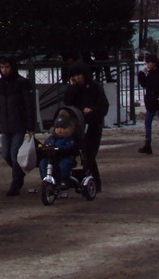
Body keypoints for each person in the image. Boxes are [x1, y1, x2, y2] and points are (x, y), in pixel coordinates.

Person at [0, 54, 37, 196]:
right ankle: (19, 173)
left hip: (19, 124)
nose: (4, 70)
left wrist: (30, 126)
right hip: (5, 125)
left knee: (14, 152)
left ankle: (15, 183)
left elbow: (29, 106)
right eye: (2, 67)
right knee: (6, 154)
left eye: (7, 67)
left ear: (13, 67)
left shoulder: (22, 83)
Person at [63, 60, 108, 191]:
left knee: (89, 154)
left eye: (79, 75)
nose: (77, 78)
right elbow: (67, 101)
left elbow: (103, 106)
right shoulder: (74, 89)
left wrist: (92, 110)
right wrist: (74, 87)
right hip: (78, 124)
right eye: (74, 76)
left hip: (93, 124)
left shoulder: (95, 87)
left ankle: (94, 181)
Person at [137, 53, 159, 154]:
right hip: (152, 102)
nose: (147, 65)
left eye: (149, 63)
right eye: (147, 63)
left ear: (154, 63)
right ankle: (147, 144)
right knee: (147, 122)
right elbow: (145, 84)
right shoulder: (151, 73)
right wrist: (142, 74)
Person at [37, 115, 77, 187]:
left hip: (64, 157)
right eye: (57, 128)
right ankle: (45, 179)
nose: (59, 130)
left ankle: (64, 181)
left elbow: (69, 147)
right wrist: (44, 147)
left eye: (62, 128)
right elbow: (46, 144)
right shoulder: (51, 138)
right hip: (52, 158)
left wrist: (60, 149)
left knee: (64, 165)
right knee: (43, 163)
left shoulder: (68, 139)